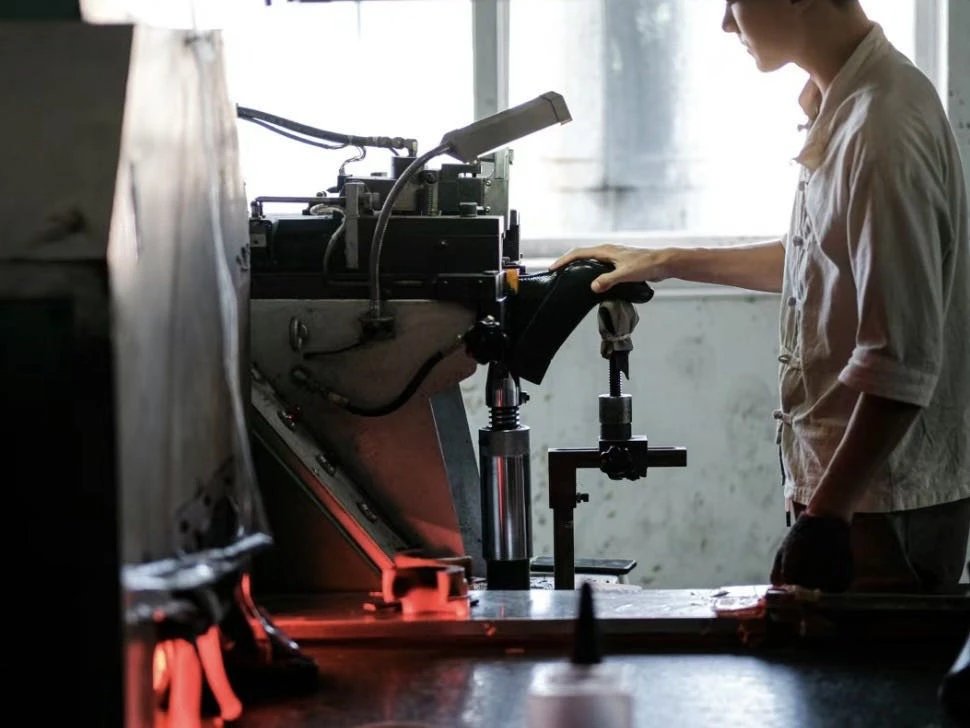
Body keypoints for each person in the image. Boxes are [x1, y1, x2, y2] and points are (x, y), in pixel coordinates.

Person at [551, 0, 969, 593]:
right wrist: (666, 261)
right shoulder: (847, 104)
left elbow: (901, 362)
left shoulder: (882, 128)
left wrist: (825, 518)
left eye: (733, 1)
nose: (727, 23)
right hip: (854, 498)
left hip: (880, 503)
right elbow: (814, 260)